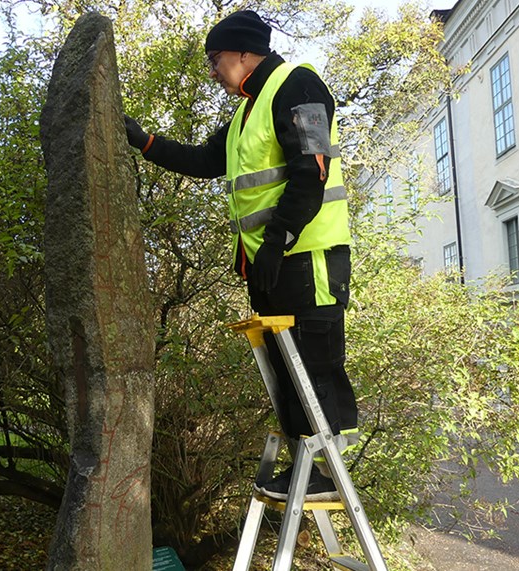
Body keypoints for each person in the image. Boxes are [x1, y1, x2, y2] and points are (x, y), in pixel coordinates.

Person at [124, 10, 357, 501]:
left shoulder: (299, 85)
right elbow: (206, 161)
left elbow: (312, 167)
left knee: (315, 365)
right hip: (270, 266)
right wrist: (144, 141)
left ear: (246, 53)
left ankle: (327, 472)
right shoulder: (242, 116)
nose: (212, 71)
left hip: (307, 256)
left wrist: (278, 240)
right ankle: (304, 467)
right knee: (286, 371)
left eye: (216, 60)